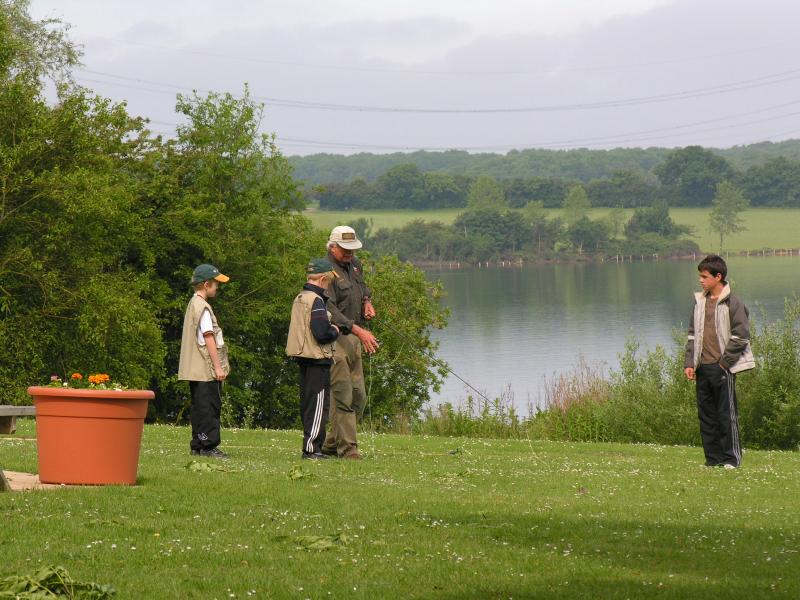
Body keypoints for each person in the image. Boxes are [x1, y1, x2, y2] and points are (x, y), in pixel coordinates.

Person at [684, 254, 754, 469]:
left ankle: (731, 459)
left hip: (723, 368)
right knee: (706, 416)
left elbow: (741, 337)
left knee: (727, 415)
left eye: (704, 276)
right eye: (700, 276)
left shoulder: (734, 303)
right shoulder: (699, 302)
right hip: (702, 368)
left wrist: (724, 364)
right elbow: (692, 335)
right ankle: (712, 459)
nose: (701, 280)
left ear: (718, 277)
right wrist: (689, 363)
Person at [321, 226, 379, 459]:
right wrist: (357, 329)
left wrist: (367, 301)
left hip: (355, 338)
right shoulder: (325, 272)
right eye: (345, 250)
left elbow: (362, 287)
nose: (349, 254)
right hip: (336, 338)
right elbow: (328, 308)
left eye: (352, 250)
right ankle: (348, 450)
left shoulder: (354, 265)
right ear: (332, 247)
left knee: (359, 396)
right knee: (343, 394)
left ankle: (331, 444)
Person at [286, 258, 341, 459]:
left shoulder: (301, 296)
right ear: (323, 279)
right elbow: (321, 332)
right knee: (318, 406)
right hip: (317, 360)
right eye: (329, 280)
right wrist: (334, 330)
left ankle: (311, 447)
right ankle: (312, 449)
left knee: (308, 405)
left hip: (303, 359)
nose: (329, 284)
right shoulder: (316, 301)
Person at [178, 264, 231, 458]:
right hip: (205, 369)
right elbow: (209, 337)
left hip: (195, 369)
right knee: (209, 407)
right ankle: (209, 445)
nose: (217, 287)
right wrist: (218, 367)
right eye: (216, 283)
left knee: (199, 407)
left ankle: (198, 444)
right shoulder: (204, 308)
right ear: (206, 284)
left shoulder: (193, 303)